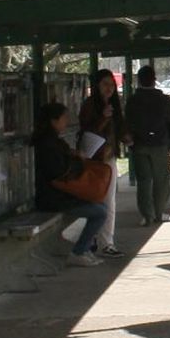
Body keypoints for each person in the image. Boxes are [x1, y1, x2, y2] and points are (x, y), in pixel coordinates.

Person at [31, 102, 108, 267]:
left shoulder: (53, 141)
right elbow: (58, 171)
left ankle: (83, 248)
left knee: (100, 207)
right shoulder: (47, 144)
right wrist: (77, 161)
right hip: (53, 198)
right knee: (99, 212)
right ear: (54, 120)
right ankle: (78, 251)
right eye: (64, 118)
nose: (66, 121)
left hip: (59, 195)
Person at [77, 68, 128, 258]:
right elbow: (88, 130)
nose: (109, 89)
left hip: (109, 156)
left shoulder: (114, 105)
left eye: (111, 85)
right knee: (94, 199)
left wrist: (127, 138)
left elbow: (120, 127)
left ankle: (107, 241)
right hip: (92, 158)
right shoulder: (90, 105)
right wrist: (103, 118)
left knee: (109, 200)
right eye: (105, 84)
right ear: (97, 85)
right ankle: (93, 239)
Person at [124, 64, 170, 225]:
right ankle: (159, 213)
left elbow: (128, 121)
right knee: (161, 180)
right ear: (154, 79)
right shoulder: (164, 99)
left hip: (139, 144)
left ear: (139, 80)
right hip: (159, 143)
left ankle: (147, 215)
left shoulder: (133, 100)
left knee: (144, 181)